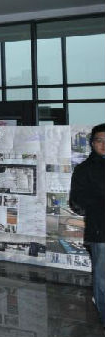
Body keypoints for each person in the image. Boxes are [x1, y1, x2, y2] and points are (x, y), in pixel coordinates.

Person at [69, 123, 105, 326]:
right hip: (101, 231)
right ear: (92, 143)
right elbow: (76, 201)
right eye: (100, 140)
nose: (104, 145)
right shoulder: (84, 169)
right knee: (103, 280)